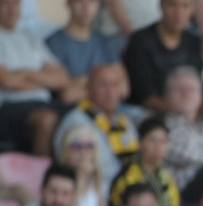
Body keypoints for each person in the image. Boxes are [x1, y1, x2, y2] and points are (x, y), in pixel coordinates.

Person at [0, 0, 74, 157]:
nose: (12, 9)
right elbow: (7, 81)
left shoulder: (29, 37)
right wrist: (43, 79)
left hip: (43, 101)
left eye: (16, 4)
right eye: (5, 4)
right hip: (9, 106)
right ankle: (41, 175)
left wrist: (26, 74)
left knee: (79, 114)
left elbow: (63, 78)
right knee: (46, 119)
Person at [54, 63, 138, 187]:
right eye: (103, 85)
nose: (110, 92)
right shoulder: (77, 122)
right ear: (88, 89)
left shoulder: (125, 122)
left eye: (115, 85)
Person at [123, 0, 203, 111]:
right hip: (146, 115)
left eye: (185, 6)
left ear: (193, 9)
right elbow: (145, 97)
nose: (178, 13)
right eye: (172, 5)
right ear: (161, 6)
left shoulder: (195, 42)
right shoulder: (140, 41)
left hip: (188, 115)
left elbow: (202, 90)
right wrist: (181, 111)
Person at [109, 116, 179, 206]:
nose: (158, 147)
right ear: (140, 143)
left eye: (163, 142)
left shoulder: (166, 175)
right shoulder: (128, 173)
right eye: (153, 140)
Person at [47, 0, 123, 81]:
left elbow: (120, 82)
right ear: (68, 3)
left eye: (92, 2)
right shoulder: (54, 43)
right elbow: (63, 88)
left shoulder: (105, 43)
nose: (86, 8)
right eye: (79, 1)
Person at [58, 123, 110, 206]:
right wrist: (80, 177)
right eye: (77, 146)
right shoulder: (59, 176)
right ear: (66, 151)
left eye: (89, 146)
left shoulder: (96, 177)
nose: (83, 152)